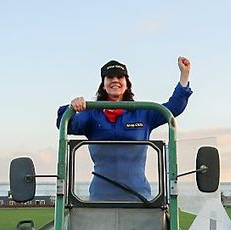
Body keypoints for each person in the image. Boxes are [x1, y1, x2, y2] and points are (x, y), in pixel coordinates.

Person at [56, 57, 192, 201]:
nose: (115, 80)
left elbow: (174, 107)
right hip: (100, 200)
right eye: (110, 77)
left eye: (120, 77)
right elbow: (66, 125)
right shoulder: (91, 114)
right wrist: (72, 107)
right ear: (103, 84)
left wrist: (185, 75)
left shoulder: (143, 113)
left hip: (139, 199)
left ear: (126, 84)